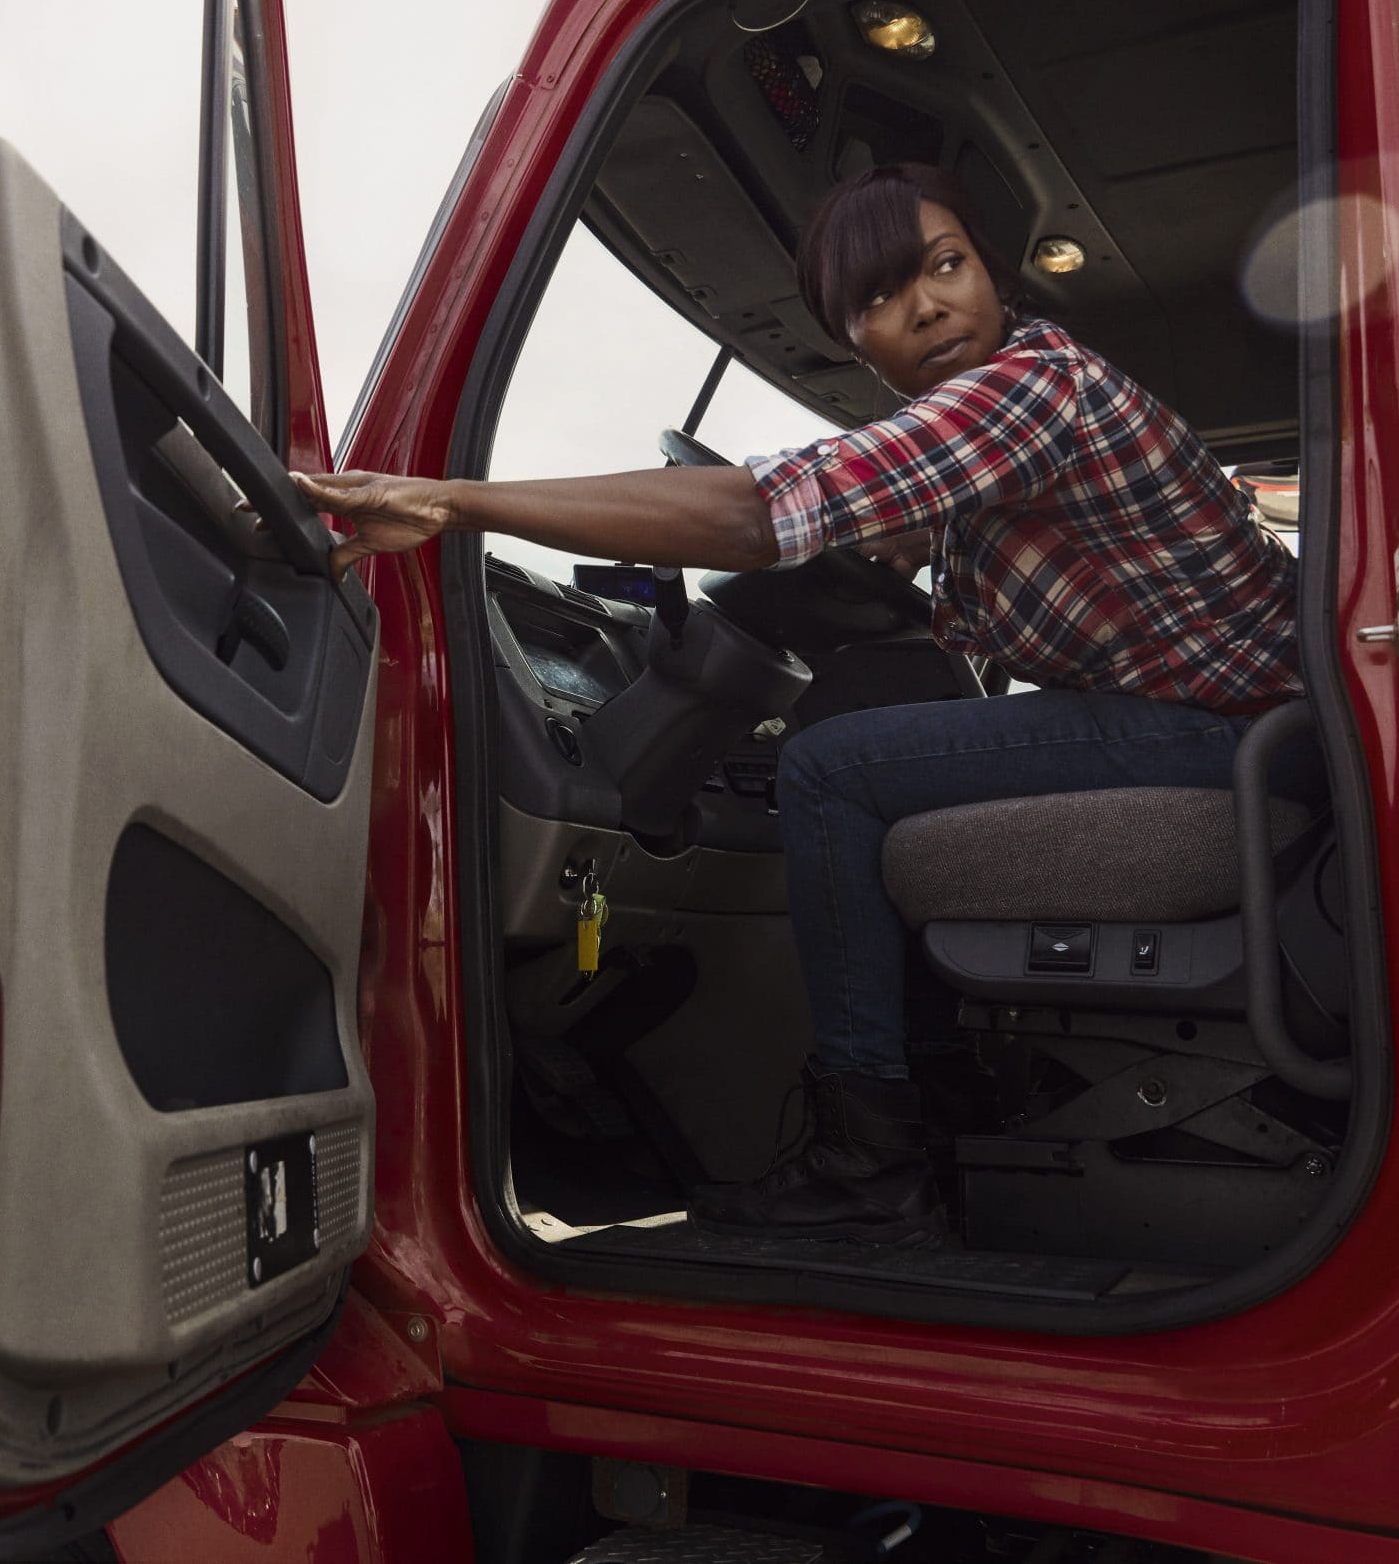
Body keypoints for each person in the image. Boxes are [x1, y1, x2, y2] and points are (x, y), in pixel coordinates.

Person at [292, 162, 1304, 1245]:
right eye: (874, 301)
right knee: (866, 759)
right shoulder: (995, 427)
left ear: (991, 275)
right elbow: (871, 513)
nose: (922, 308)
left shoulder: (1027, 389)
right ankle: (947, 1105)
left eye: (944, 268)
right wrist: (885, 543)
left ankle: (870, 1160)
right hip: (1238, 734)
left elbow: (757, 518)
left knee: (830, 767)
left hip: (1227, 736)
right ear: (850, 340)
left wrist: (448, 502)